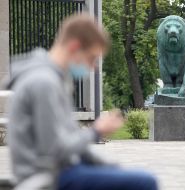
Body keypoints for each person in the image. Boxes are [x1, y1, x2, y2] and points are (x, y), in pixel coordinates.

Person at [6, 14, 158, 190]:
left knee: (128, 177)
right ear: (74, 47)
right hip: (46, 177)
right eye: (92, 57)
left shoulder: (56, 80)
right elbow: (53, 151)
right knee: (145, 182)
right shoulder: (43, 82)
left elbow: (71, 144)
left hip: (63, 170)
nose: (93, 66)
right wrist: (96, 131)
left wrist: (107, 167)